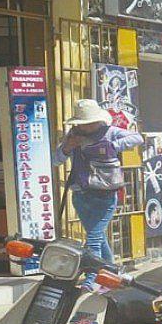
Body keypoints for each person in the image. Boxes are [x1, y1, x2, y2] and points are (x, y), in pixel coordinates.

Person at [54, 99, 142, 270]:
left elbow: (137, 137)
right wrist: (67, 148)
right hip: (80, 194)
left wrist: (113, 146)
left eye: (90, 123)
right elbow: (57, 160)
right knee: (98, 236)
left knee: (93, 238)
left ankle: (92, 277)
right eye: (84, 123)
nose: (87, 127)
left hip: (104, 194)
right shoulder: (73, 135)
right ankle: (110, 271)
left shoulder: (110, 132)